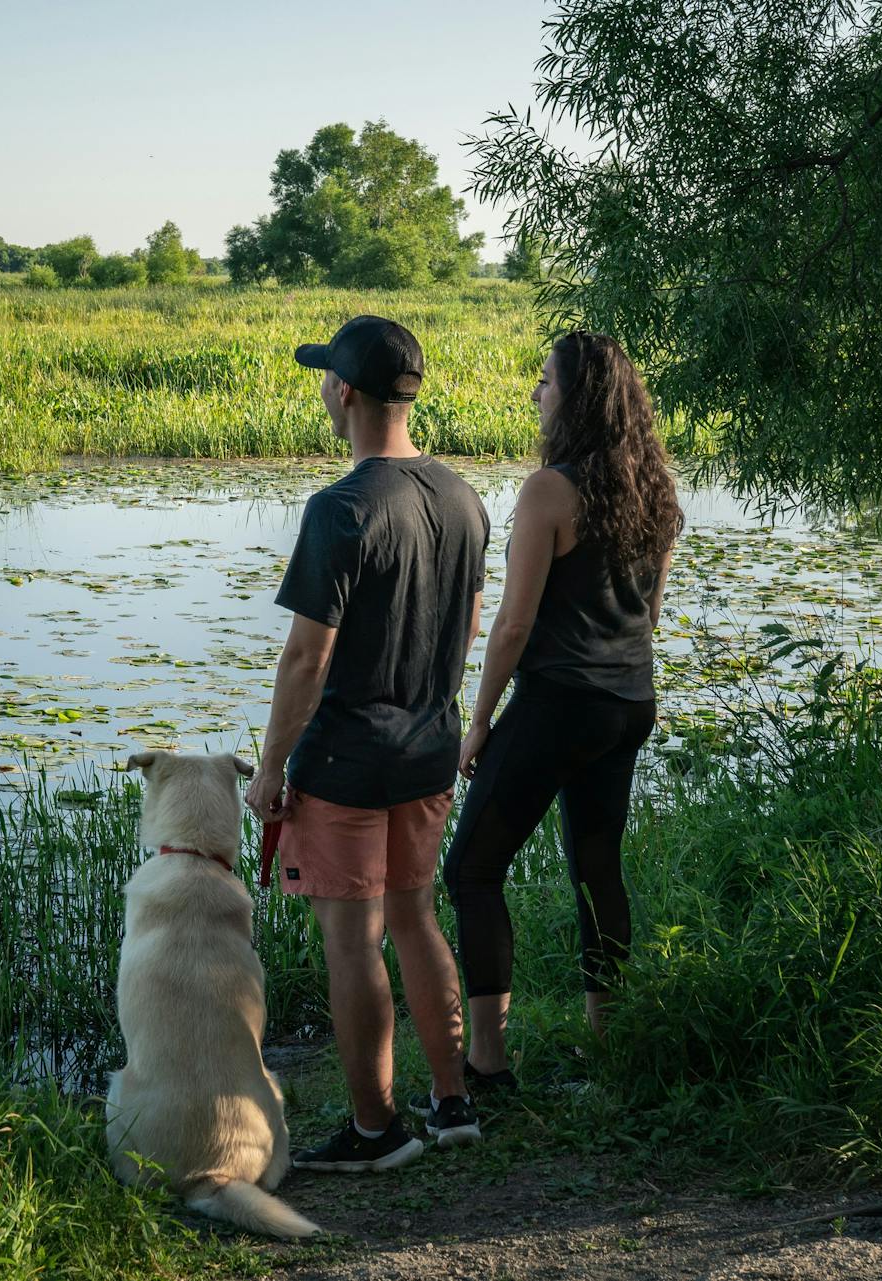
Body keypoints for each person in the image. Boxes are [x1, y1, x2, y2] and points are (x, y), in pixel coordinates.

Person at [245, 315, 490, 1172]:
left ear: (343, 392)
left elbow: (307, 658)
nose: (321, 388)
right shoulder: (465, 498)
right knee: (419, 919)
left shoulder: (340, 509)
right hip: (428, 749)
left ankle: (375, 1129)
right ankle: (454, 1101)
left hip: (346, 762)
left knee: (353, 941)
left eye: (325, 378)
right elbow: (460, 631)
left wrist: (272, 766)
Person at [442, 331, 682, 1091]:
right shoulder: (659, 491)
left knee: (472, 869)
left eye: (545, 381)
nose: (535, 393)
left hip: (561, 703)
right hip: (629, 699)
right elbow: (650, 610)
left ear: (574, 398)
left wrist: (478, 721)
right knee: (595, 869)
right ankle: (608, 1047)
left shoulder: (551, 490)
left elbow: (513, 624)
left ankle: (486, 1063)